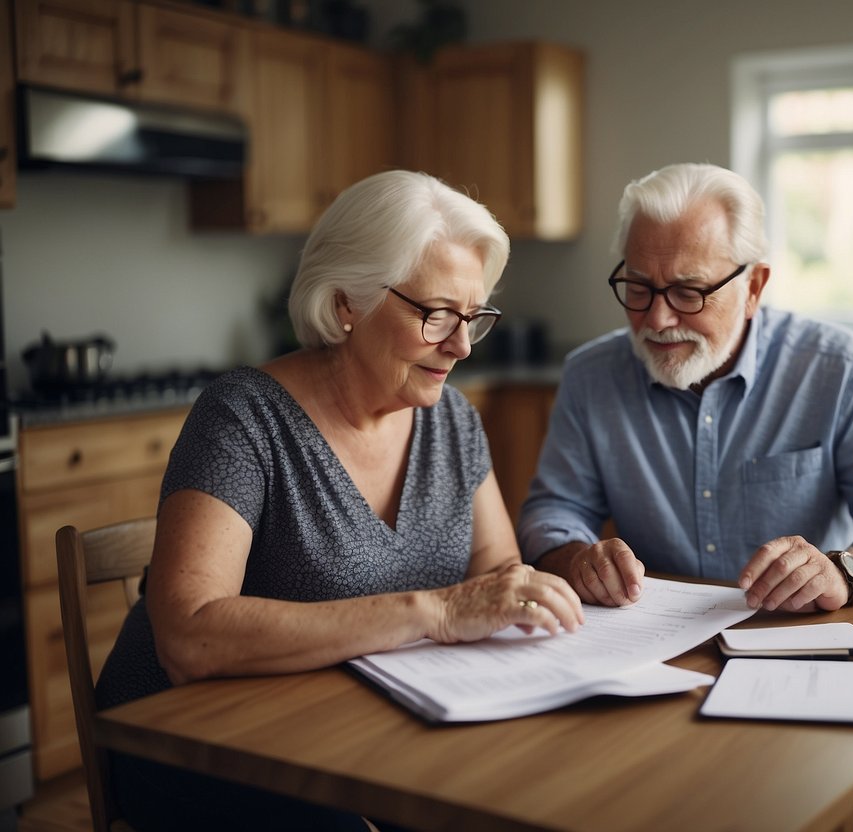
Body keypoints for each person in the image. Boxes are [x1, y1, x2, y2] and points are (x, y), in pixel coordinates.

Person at [95, 170, 583, 831]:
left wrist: (536, 587)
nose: (461, 345)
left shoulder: (452, 420)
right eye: (437, 314)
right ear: (348, 302)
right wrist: (432, 612)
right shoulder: (243, 417)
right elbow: (189, 635)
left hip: (363, 729)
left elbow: (495, 572)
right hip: (204, 749)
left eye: (473, 318)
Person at [517, 162, 853, 832]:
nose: (656, 319)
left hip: (811, 645)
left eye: (687, 291)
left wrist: (843, 569)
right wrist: (573, 555)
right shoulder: (590, 376)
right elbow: (551, 508)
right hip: (659, 656)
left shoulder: (834, 367)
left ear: (753, 286)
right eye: (636, 287)